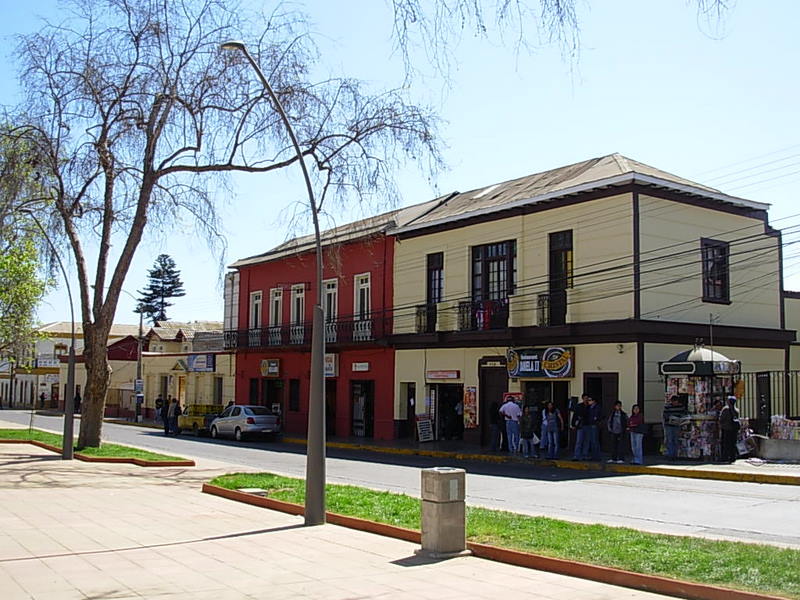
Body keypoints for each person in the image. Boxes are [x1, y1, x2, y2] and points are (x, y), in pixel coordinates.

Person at [718, 395, 740, 463]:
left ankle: (725, 457)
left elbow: (721, 419)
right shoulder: (736, 410)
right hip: (734, 429)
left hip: (726, 429)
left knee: (725, 443)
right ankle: (732, 457)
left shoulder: (725, 409)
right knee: (732, 443)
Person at [662, 395, 685, 460]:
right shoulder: (667, 407)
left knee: (676, 440)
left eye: (676, 401)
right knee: (669, 440)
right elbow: (664, 415)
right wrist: (670, 418)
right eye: (674, 401)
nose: (675, 403)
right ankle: (670, 455)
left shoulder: (681, 407)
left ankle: (675, 455)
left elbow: (683, 414)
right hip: (669, 425)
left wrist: (680, 419)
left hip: (677, 425)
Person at [582, 396, 602, 461]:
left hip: (594, 425)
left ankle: (597, 456)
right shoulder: (589, 407)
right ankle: (593, 456)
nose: (588, 401)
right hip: (589, 425)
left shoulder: (597, 407)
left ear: (594, 401)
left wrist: (595, 420)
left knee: (595, 441)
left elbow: (596, 416)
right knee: (591, 441)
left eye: (590, 400)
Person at [571, 394, 588, 460]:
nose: (586, 399)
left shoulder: (589, 406)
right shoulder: (579, 406)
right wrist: (573, 424)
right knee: (579, 441)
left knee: (586, 441)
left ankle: (584, 455)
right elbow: (575, 415)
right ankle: (577, 455)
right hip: (580, 425)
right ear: (583, 398)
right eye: (585, 398)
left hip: (587, 425)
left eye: (587, 398)